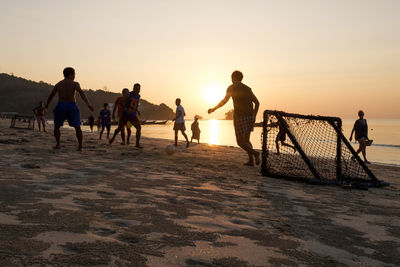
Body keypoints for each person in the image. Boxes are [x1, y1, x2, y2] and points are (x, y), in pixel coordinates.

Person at [208, 70, 260, 166]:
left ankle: (255, 153)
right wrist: (254, 116)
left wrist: (214, 109)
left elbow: (224, 101)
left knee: (240, 142)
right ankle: (251, 161)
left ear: (233, 78)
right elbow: (257, 103)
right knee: (247, 140)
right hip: (250, 117)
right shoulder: (248, 88)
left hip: (240, 117)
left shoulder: (231, 88)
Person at [45, 67, 94, 151]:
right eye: (74, 74)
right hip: (71, 106)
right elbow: (82, 93)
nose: (74, 76)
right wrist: (88, 104)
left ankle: (58, 144)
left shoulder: (58, 84)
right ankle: (80, 146)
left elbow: (51, 95)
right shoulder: (75, 83)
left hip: (61, 106)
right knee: (77, 127)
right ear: (71, 75)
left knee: (57, 126)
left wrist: (47, 105)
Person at [109, 83, 142, 148]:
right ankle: (113, 138)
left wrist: (137, 111)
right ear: (133, 88)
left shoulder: (138, 96)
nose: (138, 90)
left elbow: (134, 105)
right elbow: (121, 102)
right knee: (119, 128)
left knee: (139, 128)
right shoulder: (129, 94)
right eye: (136, 89)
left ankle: (137, 144)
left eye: (139, 89)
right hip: (125, 115)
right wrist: (125, 109)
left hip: (133, 115)